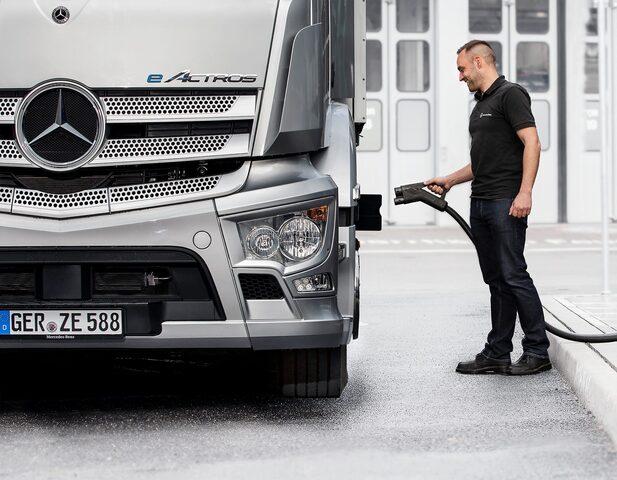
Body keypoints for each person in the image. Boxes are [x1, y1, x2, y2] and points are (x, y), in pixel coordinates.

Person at [424, 40, 551, 376]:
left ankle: (538, 351)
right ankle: (497, 352)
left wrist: (525, 193)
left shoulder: (511, 95)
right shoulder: (481, 103)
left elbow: (532, 142)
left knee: (513, 275)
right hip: (480, 202)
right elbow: (482, 160)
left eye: (462, 68)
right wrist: (449, 180)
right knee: (496, 280)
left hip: (505, 202)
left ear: (479, 61)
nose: (459, 76)